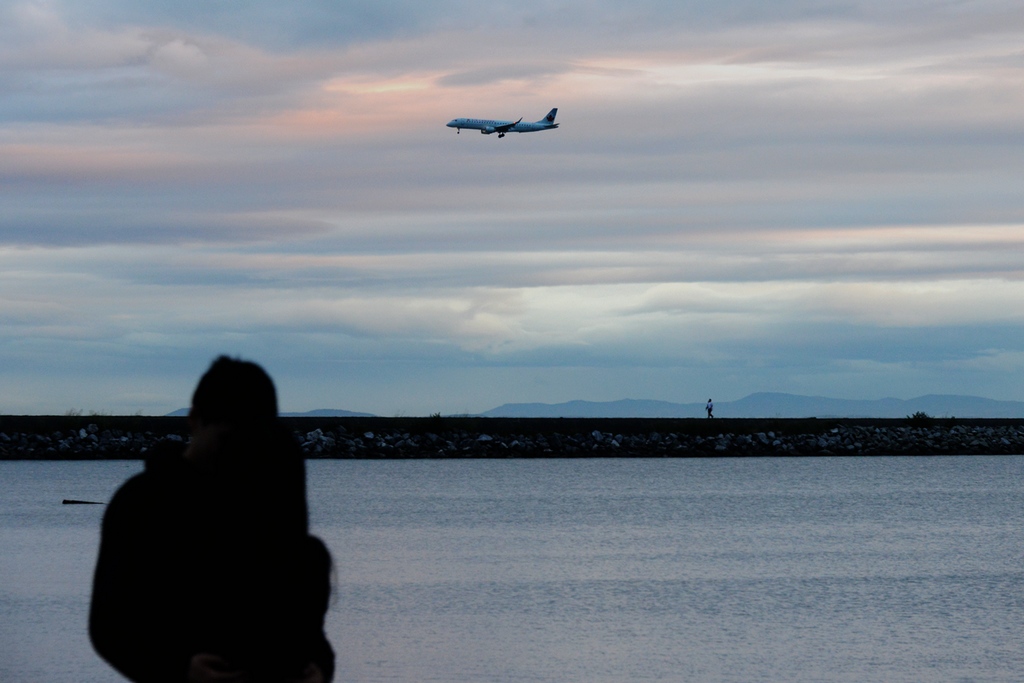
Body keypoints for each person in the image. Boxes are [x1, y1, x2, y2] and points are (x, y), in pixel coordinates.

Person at [90, 356, 334, 683]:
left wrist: (317, 667)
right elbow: (109, 625)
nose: (235, 452)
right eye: (226, 438)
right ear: (195, 420)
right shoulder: (141, 503)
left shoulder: (263, 497)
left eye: (247, 438)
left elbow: (301, 625)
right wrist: (179, 670)